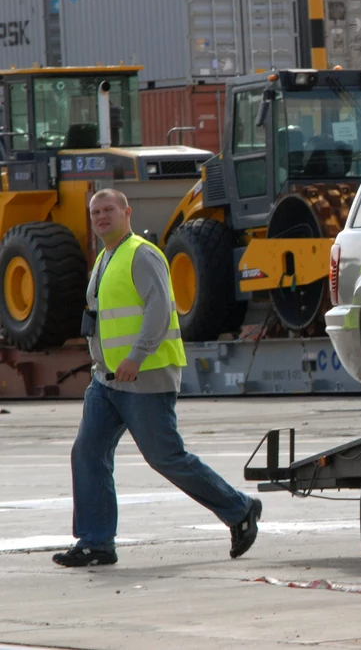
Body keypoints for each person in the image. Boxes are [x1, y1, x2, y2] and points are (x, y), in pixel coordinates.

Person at [52, 189, 262, 567]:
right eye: (95, 211)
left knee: (166, 458)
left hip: (144, 376)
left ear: (127, 212)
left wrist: (136, 355)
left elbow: (159, 309)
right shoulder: (104, 258)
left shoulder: (142, 254)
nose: (101, 217)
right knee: (87, 453)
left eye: (108, 210)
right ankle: (96, 542)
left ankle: (240, 508)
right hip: (107, 381)